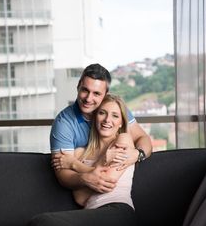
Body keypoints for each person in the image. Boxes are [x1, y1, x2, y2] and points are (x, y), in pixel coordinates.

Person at [24, 94, 143, 226]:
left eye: (114, 115)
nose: (107, 120)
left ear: (122, 122)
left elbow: (108, 181)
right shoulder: (81, 151)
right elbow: (80, 197)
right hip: (94, 224)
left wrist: (75, 165)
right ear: (95, 117)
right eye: (102, 113)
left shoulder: (123, 141)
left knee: (40, 223)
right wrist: (98, 163)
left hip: (117, 216)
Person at [50, 63, 152, 195]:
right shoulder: (64, 123)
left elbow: (142, 138)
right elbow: (63, 175)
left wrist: (138, 154)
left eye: (96, 93)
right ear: (78, 86)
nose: (88, 98)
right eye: (85, 90)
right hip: (81, 195)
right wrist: (86, 179)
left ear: (105, 94)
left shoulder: (115, 110)